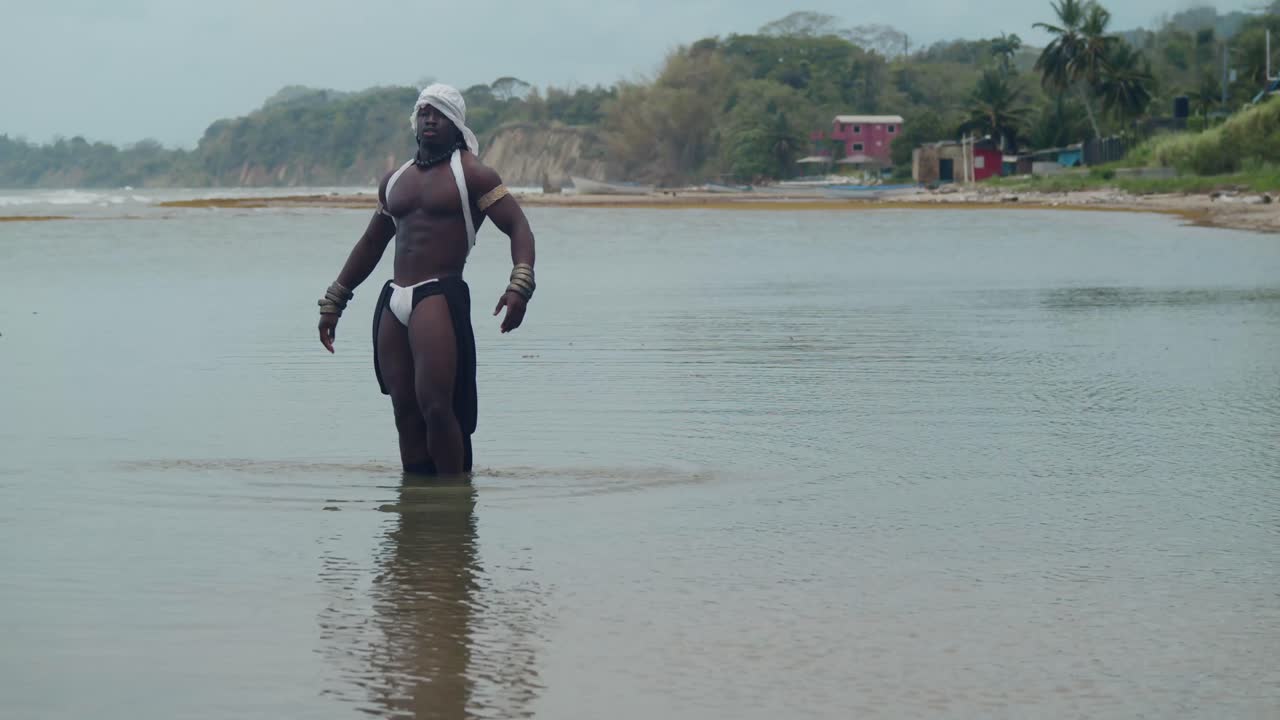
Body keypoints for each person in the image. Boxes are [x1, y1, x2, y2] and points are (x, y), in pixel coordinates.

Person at [317, 83, 536, 476]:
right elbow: (371, 243)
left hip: (438, 294)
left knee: (437, 404)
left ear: (457, 126)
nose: (430, 120)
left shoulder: (473, 175)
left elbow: (519, 227)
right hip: (394, 298)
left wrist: (519, 286)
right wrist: (335, 299)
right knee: (404, 405)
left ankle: (455, 501)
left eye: (440, 114)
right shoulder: (395, 180)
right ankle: (416, 509)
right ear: (415, 122)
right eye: (424, 113)